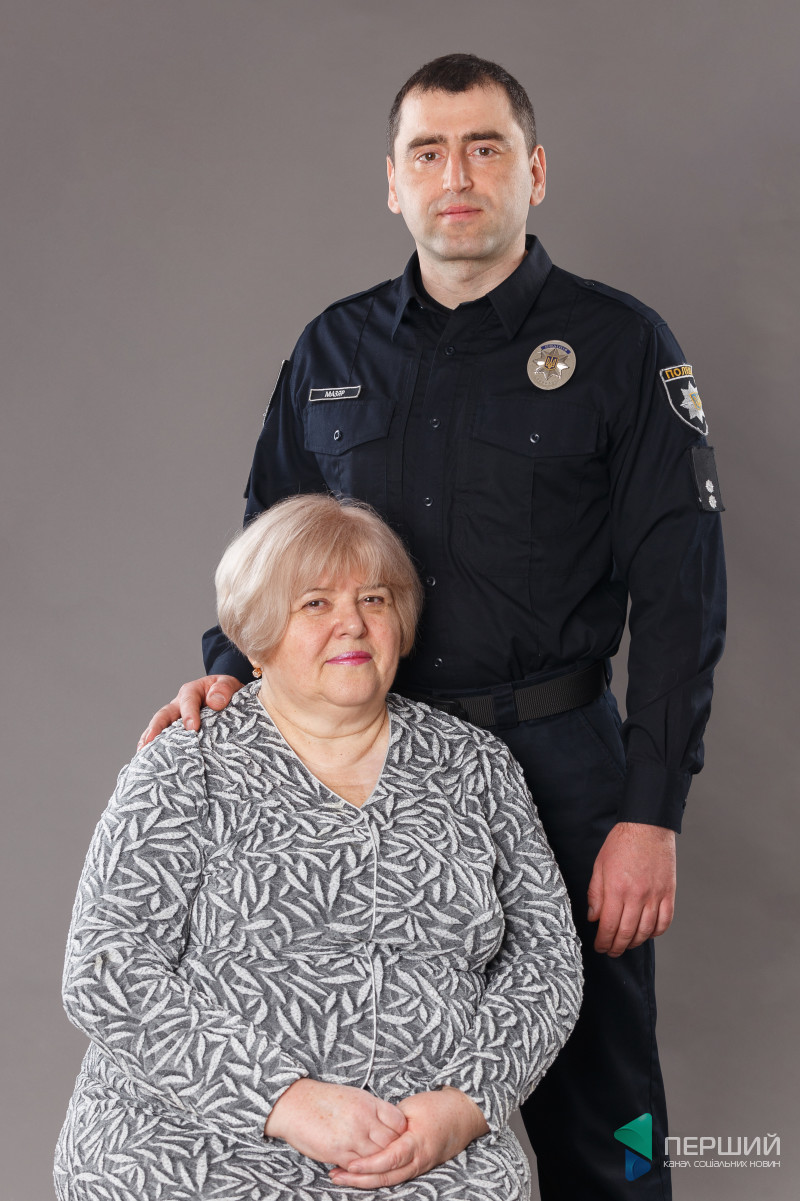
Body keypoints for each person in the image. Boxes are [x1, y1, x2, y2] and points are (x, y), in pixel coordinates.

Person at [138, 54, 726, 1199]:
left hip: (561, 767)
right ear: (392, 182)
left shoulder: (619, 345)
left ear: (533, 171)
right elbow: (271, 549)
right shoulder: (333, 351)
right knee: (378, 1078)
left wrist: (649, 810)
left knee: (606, 1100)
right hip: (368, 763)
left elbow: (680, 591)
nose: (455, 175)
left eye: (483, 147)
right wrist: (231, 676)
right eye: (428, 152)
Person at [55, 494, 583, 1201]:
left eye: (374, 598)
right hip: (193, 1148)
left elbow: (547, 962)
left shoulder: (475, 766)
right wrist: (283, 1099)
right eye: (315, 603)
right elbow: (106, 969)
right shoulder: (188, 762)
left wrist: (464, 1106)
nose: (353, 623)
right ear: (257, 635)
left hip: (419, 1149)